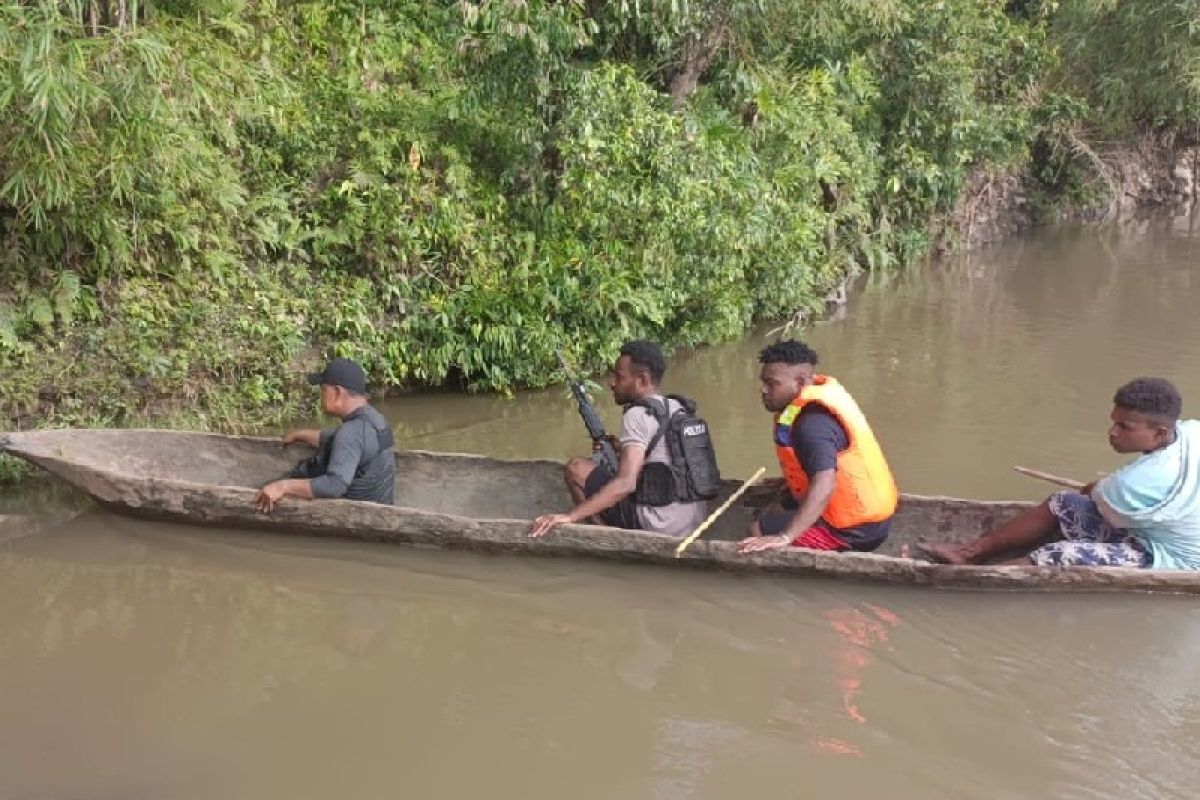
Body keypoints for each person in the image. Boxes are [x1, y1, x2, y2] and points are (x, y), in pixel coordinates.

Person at [921, 378, 1200, 570]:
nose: (1112, 432)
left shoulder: (1135, 483)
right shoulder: (1191, 431)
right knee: (1061, 502)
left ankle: (980, 580)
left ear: (1160, 432)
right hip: (1161, 532)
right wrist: (1101, 491)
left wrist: (1097, 490)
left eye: (1125, 427)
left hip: (1171, 559)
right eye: (1114, 422)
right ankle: (966, 554)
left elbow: (1103, 502)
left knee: (1056, 554)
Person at [529, 340, 711, 538]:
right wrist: (619, 448)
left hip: (658, 526)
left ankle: (602, 534)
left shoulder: (637, 415)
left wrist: (571, 516)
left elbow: (626, 483)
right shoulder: (678, 408)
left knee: (576, 467)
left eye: (619, 377)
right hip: (693, 523)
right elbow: (664, 461)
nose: (612, 383)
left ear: (642, 380)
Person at [738, 340, 898, 555]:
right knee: (774, 509)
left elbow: (826, 483)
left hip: (854, 532)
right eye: (763, 382)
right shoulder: (804, 407)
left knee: (755, 531)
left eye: (772, 383)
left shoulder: (811, 426)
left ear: (800, 382)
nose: (763, 390)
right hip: (868, 517)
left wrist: (784, 537)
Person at [256, 357, 396, 512]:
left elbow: (335, 486)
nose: (321, 397)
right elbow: (339, 439)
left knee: (276, 484)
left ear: (337, 392)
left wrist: (282, 487)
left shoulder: (350, 432)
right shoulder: (375, 419)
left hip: (355, 513)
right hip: (381, 507)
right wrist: (299, 434)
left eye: (323, 390)